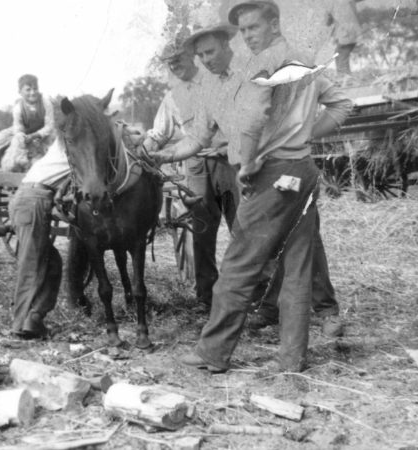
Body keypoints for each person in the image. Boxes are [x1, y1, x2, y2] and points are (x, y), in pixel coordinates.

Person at [151, 0, 353, 372]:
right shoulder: (303, 60)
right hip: (302, 171)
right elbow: (342, 105)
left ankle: (213, 353)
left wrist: (250, 161)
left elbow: (254, 120)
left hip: (273, 175)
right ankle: (292, 359)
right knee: (296, 266)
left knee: (239, 264)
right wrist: (305, 137)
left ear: (274, 23)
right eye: (244, 31)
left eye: (253, 29)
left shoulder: (260, 65)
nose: (248, 36)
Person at [143, 28, 240, 307]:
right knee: (201, 230)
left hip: (230, 161)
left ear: (193, 56)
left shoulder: (217, 80)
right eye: (169, 62)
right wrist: (142, 153)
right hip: (196, 166)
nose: (175, 65)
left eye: (178, 58)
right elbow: (158, 134)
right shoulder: (172, 97)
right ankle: (206, 297)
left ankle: (258, 296)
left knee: (242, 228)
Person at [8, 133, 70, 338]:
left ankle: (34, 319)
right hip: (33, 199)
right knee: (31, 266)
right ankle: (19, 325)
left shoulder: (60, 146)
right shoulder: (68, 145)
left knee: (52, 263)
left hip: (30, 198)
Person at [0, 74, 55, 173]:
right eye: (28, 90)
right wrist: (21, 136)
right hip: (25, 130)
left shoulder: (46, 103)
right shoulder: (18, 108)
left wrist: (35, 135)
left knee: (54, 144)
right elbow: (18, 127)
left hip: (42, 131)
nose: (32, 93)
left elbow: (49, 125)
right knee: (0, 138)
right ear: (20, 92)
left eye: (35, 89)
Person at [326, 0, 363, 75]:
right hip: (354, 32)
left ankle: (345, 78)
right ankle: (345, 78)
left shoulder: (333, 4)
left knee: (341, 56)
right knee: (340, 55)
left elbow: (328, 22)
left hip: (345, 34)